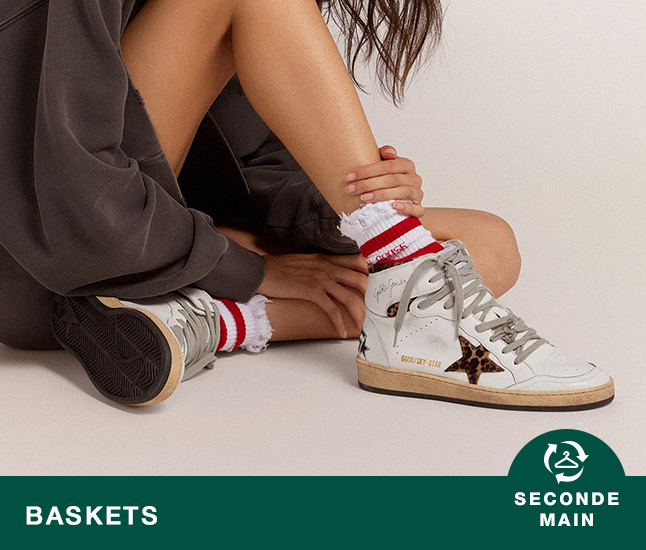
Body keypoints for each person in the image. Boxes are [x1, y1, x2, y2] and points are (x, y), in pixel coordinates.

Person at [0, 0, 614, 410]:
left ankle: (209, 323)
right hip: (43, 257)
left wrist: (359, 200)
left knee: (489, 247)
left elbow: (249, 159)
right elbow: (66, 185)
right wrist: (254, 271)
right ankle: (398, 269)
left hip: (123, 255)